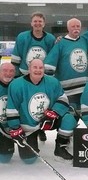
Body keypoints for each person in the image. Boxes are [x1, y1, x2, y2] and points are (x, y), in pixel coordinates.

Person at [6, 59, 77, 164]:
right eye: (35, 67)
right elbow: (12, 108)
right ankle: (34, 138)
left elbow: (63, 98)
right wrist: (16, 128)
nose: (38, 70)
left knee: (69, 119)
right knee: (29, 159)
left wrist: (54, 112)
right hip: (28, 125)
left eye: (41, 67)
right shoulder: (16, 85)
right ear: (29, 69)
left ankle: (60, 149)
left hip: (49, 120)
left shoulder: (53, 82)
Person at [11, 11, 56, 142]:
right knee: (26, 105)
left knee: (41, 103)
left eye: (40, 21)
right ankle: (25, 128)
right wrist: (15, 77)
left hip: (42, 78)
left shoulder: (50, 39)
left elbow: (52, 58)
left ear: (44, 23)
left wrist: (49, 77)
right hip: (25, 77)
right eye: (35, 21)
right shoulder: (22, 37)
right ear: (31, 23)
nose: (37, 23)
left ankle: (41, 129)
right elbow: (16, 58)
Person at [44, 18, 88, 119]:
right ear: (68, 28)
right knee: (70, 119)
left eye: (78, 26)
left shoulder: (84, 41)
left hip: (85, 90)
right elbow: (49, 66)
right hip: (68, 92)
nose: (76, 28)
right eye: (73, 26)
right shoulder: (60, 43)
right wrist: (50, 86)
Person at [0, 63, 16, 163]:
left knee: (5, 159)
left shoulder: (18, 85)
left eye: (11, 71)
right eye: (5, 70)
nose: (8, 73)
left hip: (12, 126)